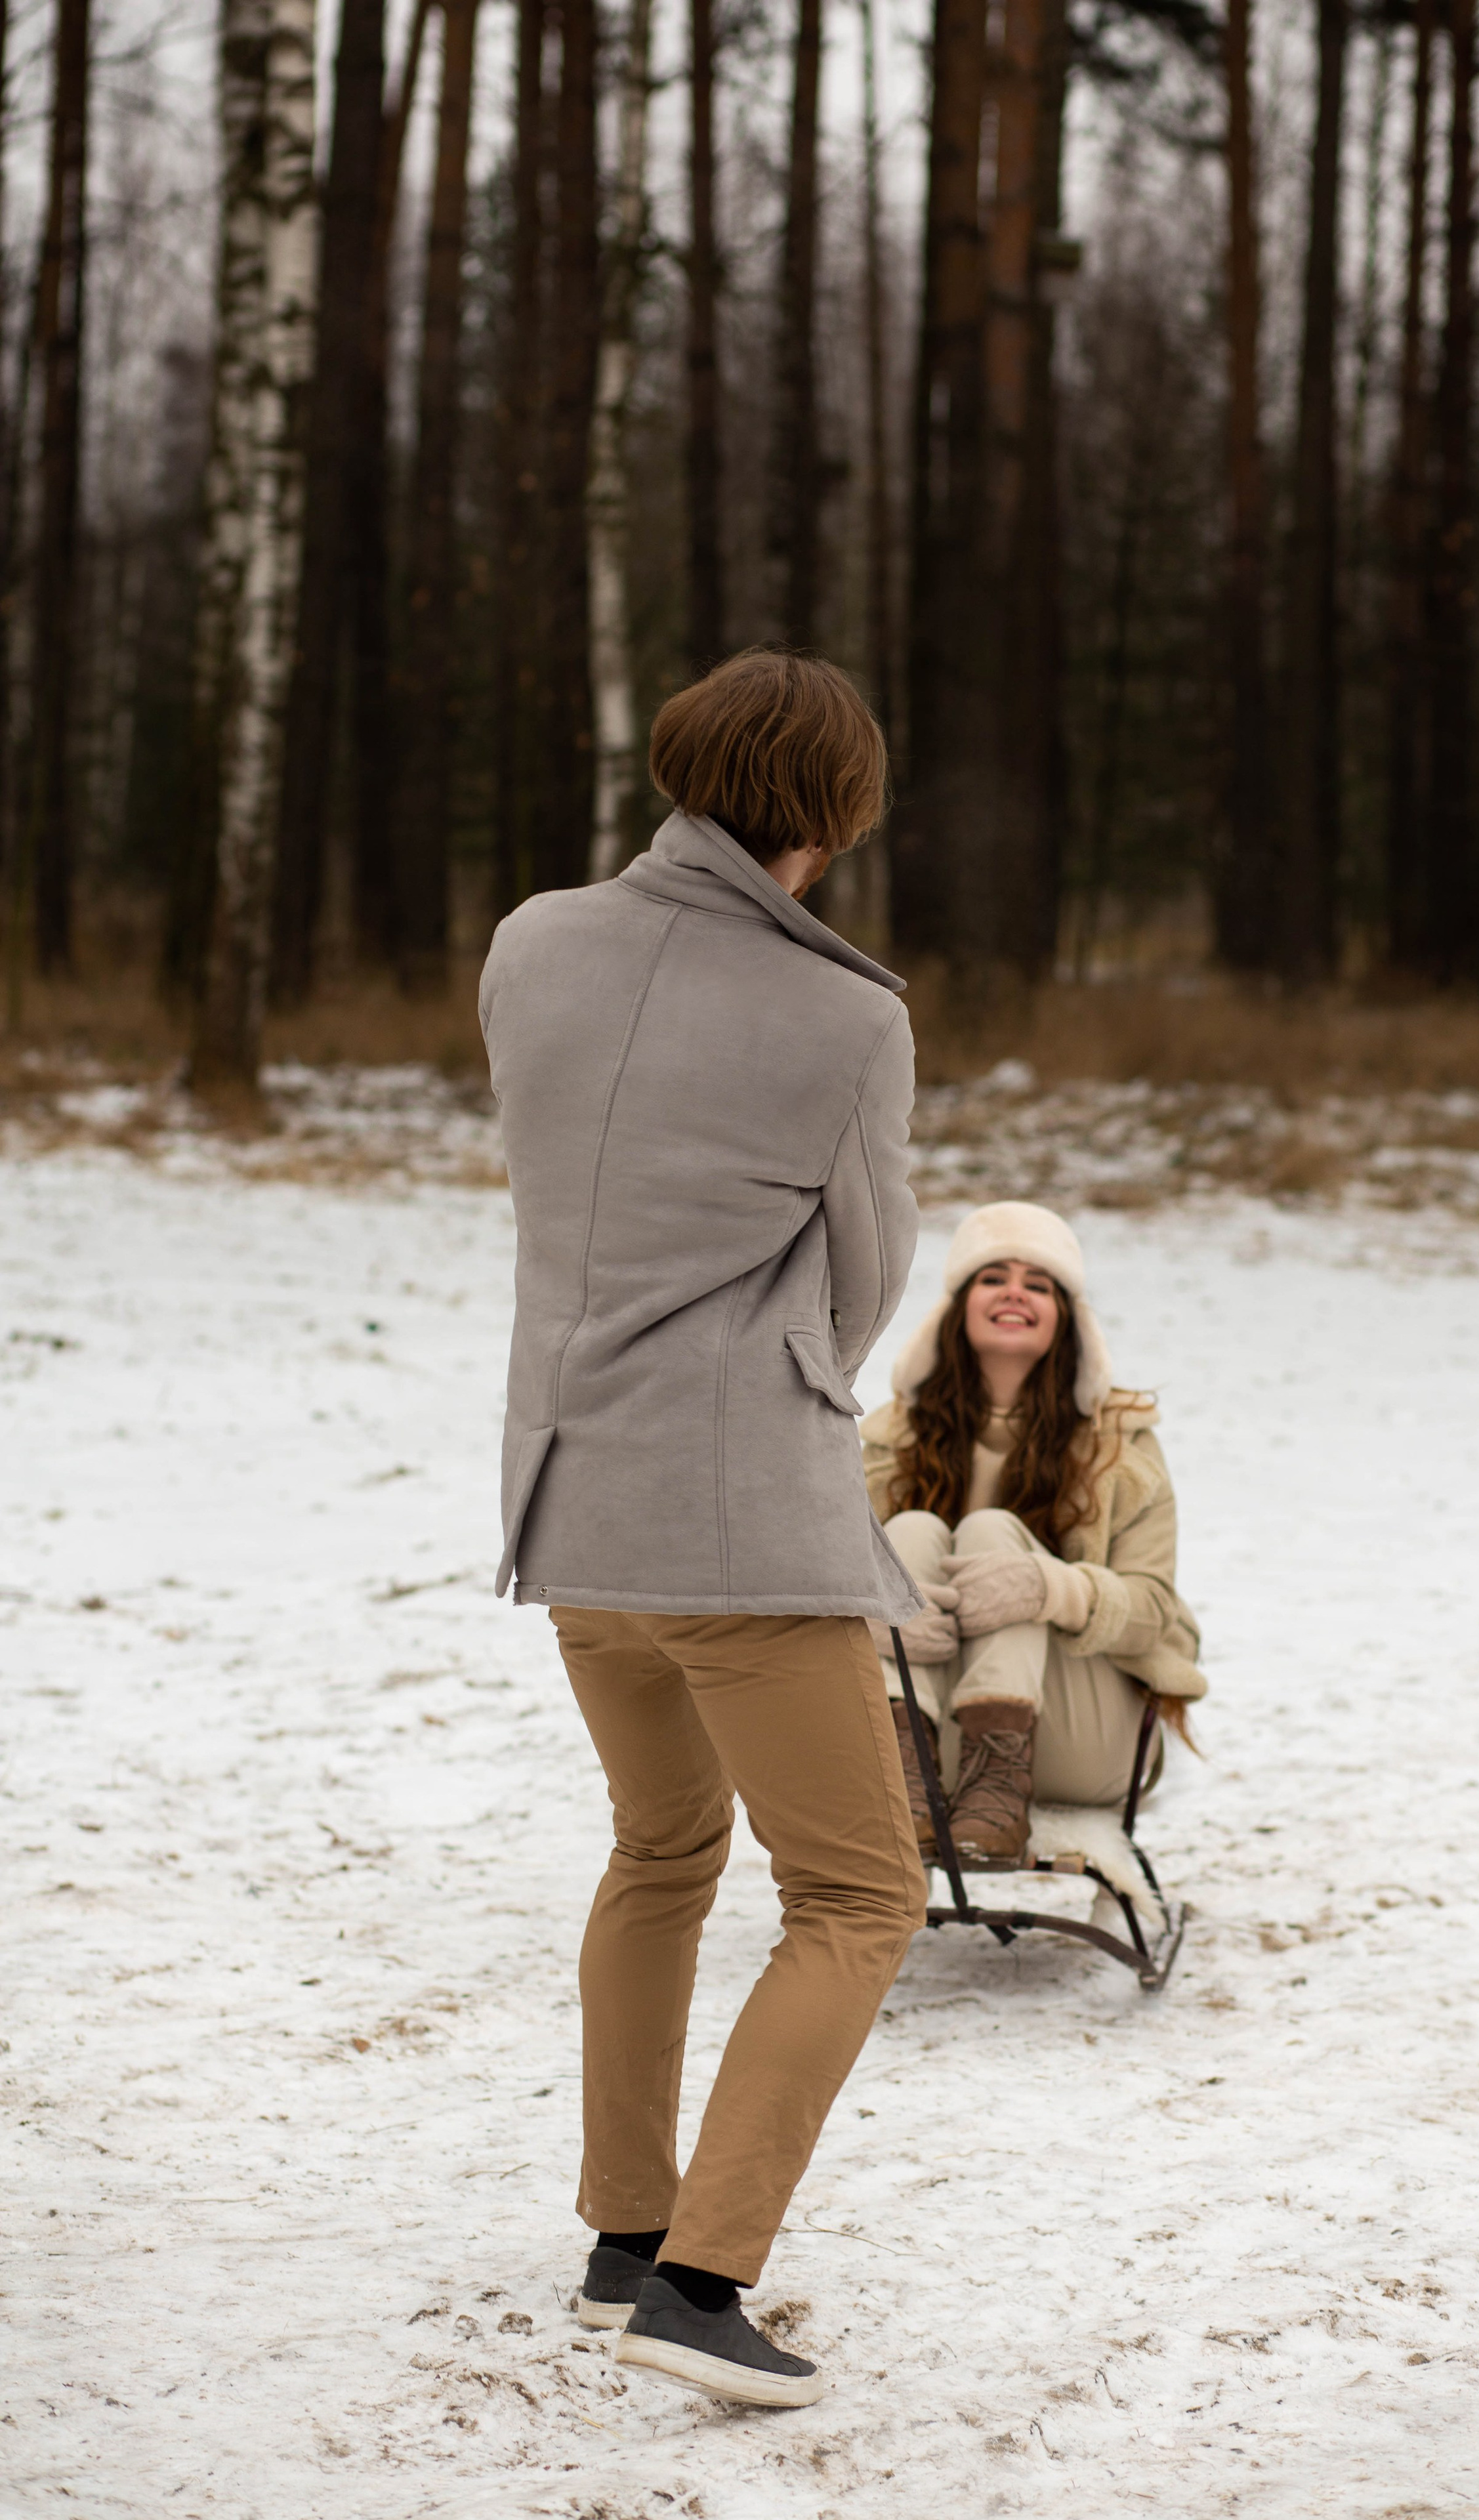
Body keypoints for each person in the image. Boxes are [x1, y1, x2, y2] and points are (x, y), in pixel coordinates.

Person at [478, 650, 925, 2411]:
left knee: (662, 1853)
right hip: (741, 1527)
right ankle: (703, 2279)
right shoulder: (849, 1018)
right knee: (861, 1892)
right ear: (830, 817)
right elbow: (870, 1270)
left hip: (573, 1498)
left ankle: (618, 2241)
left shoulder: (530, 941)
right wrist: (783, 1365)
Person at [861, 1201, 1205, 1865]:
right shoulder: (885, 1445)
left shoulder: (1121, 1448)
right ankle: (906, 1789)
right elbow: (805, 1589)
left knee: (994, 1532)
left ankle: (996, 1796)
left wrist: (1055, 1589)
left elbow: (1159, 1615)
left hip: (1075, 1735)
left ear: (1065, 1320)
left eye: (1038, 1283)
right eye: (993, 1277)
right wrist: (870, 1619)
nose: (1015, 1291)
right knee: (907, 1533)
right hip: (913, 1740)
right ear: (956, 1310)